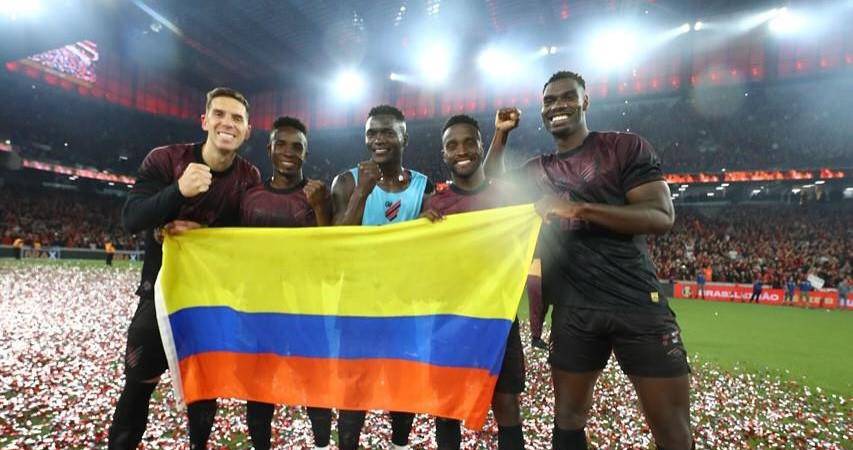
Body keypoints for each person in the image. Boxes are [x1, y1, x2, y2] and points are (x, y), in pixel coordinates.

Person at [484, 71, 692, 450]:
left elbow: (661, 215)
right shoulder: (538, 169)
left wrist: (577, 208)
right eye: (549, 101)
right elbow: (492, 185)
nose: (557, 106)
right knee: (568, 418)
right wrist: (501, 134)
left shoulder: (624, 148)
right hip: (574, 310)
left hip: (637, 304)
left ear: (585, 102)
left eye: (566, 97)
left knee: (672, 429)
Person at [107, 87, 261, 449]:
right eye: (220, 114)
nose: (228, 123)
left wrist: (205, 235)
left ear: (247, 130)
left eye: (237, 118)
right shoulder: (165, 160)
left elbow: (247, 241)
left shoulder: (249, 178)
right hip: (159, 294)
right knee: (139, 384)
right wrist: (178, 190)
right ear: (204, 121)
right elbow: (131, 218)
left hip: (212, 300)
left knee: (204, 388)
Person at [321, 104, 434, 450]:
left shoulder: (423, 186)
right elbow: (335, 245)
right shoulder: (347, 181)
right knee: (354, 392)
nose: (378, 139)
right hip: (357, 306)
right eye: (372, 133)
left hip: (402, 306)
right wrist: (362, 192)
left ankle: (400, 445)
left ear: (404, 137)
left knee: (402, 391)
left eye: (387, 132)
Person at [420, 114, 527, 450]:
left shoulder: (508, 198)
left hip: (498, 318)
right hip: (449, 320)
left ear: (481, 146)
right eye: (452, 145)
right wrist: (421, 232)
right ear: (444, 154)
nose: (461, 150)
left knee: (506, 405)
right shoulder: (434, 205)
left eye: (469, 142)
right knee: (447, 409)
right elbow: (425, 266)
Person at [237, 115, 331, 449]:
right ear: (269, 148)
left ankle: (321, 445)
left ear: (306, 152)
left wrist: (320, 209)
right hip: (261, 309)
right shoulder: (250, 196)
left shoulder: (319, 195)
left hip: (307, 309)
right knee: (260, 390)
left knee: (317, 388)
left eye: (297, 146)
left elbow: (331, 254)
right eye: (282, 144)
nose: (289, 152)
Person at [527, 257, 548, 350]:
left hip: (539, 275)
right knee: (537, 307)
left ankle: (536, 337)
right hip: (536, 275)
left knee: (541, 307)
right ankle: (535, 338)